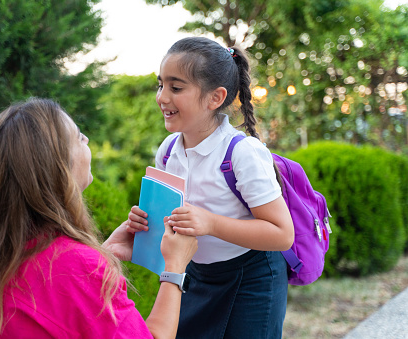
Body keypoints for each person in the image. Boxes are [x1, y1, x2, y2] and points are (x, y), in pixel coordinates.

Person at [0, 97, 198, 339]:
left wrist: (102, 254)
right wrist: (174, 267)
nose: (86, 139)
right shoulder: (77, 268)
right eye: (78, 138)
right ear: (57, 167)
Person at [126, 37, 295, 339]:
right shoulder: (168, 151)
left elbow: (282, 234)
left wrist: (210, 223)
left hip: (251, 277)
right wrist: (146, 222)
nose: (162, 97)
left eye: (176, 88)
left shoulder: (242, 153)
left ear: (215, 98)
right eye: (160, 84)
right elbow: (173, 219)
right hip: (197, 275)